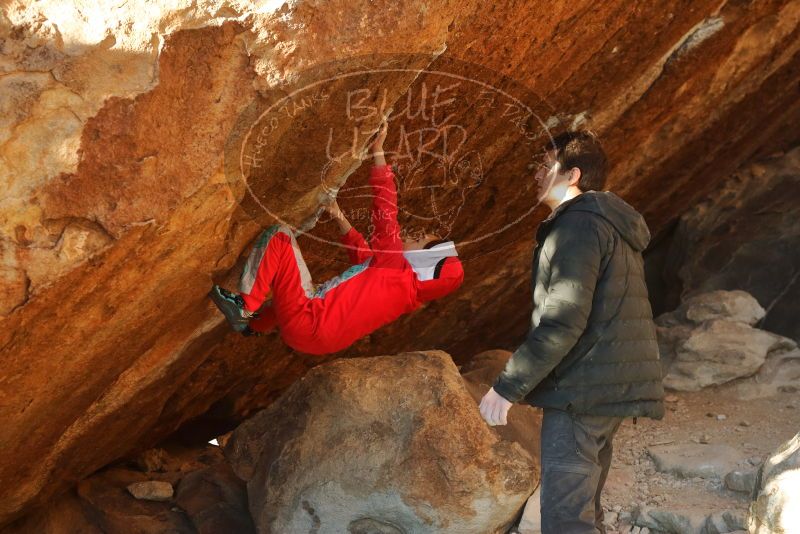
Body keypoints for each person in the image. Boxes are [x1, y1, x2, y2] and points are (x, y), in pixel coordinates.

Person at [478, 131, 665, 533]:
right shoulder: (608, 223)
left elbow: (564, 319)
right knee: (583, 510)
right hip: (607, 384)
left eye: (546, 166)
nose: (536, 174)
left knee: (565, 518)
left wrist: (507, 387)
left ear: (573, 174)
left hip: (582, 388)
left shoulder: (577, 227)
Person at [209, 120, 464, 356]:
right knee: (299, 285)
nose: (410, 234)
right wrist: (338, 215)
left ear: (423, 260)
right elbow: (364, 260)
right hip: (318, 341)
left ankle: (245, 306)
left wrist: (378, 152)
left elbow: (385, 209)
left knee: (280, 236)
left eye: (418, 238)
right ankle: (257, 326)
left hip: (308, 321)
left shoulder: (396, 268)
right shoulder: (404, 293)